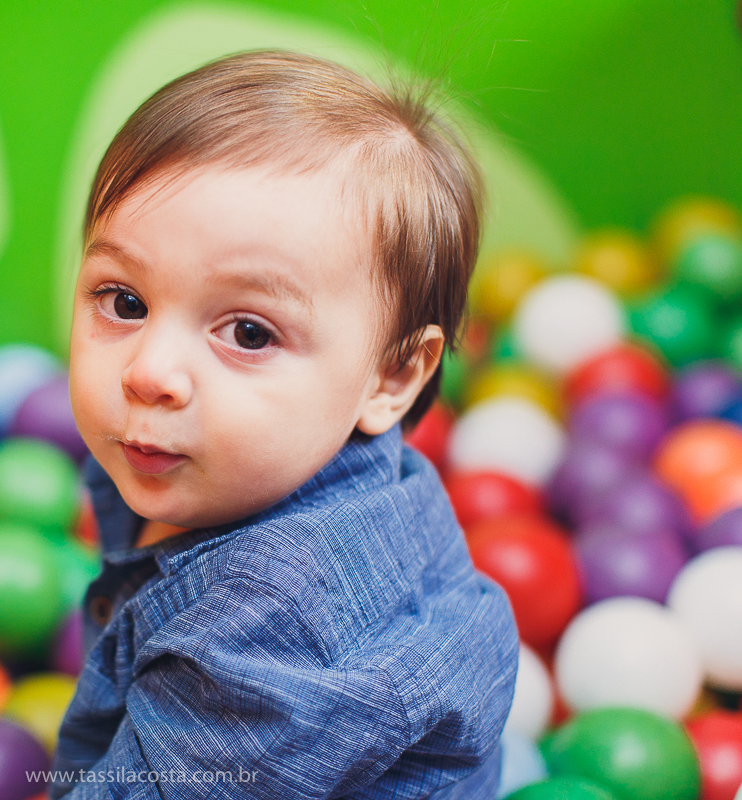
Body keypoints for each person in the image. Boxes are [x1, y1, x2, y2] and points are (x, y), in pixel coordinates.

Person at [51, 49, 519, 799]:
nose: (148, 372)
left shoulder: (268, 625)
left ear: (392, 376)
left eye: (248, 333)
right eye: (124, 301)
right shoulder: (234, 456)